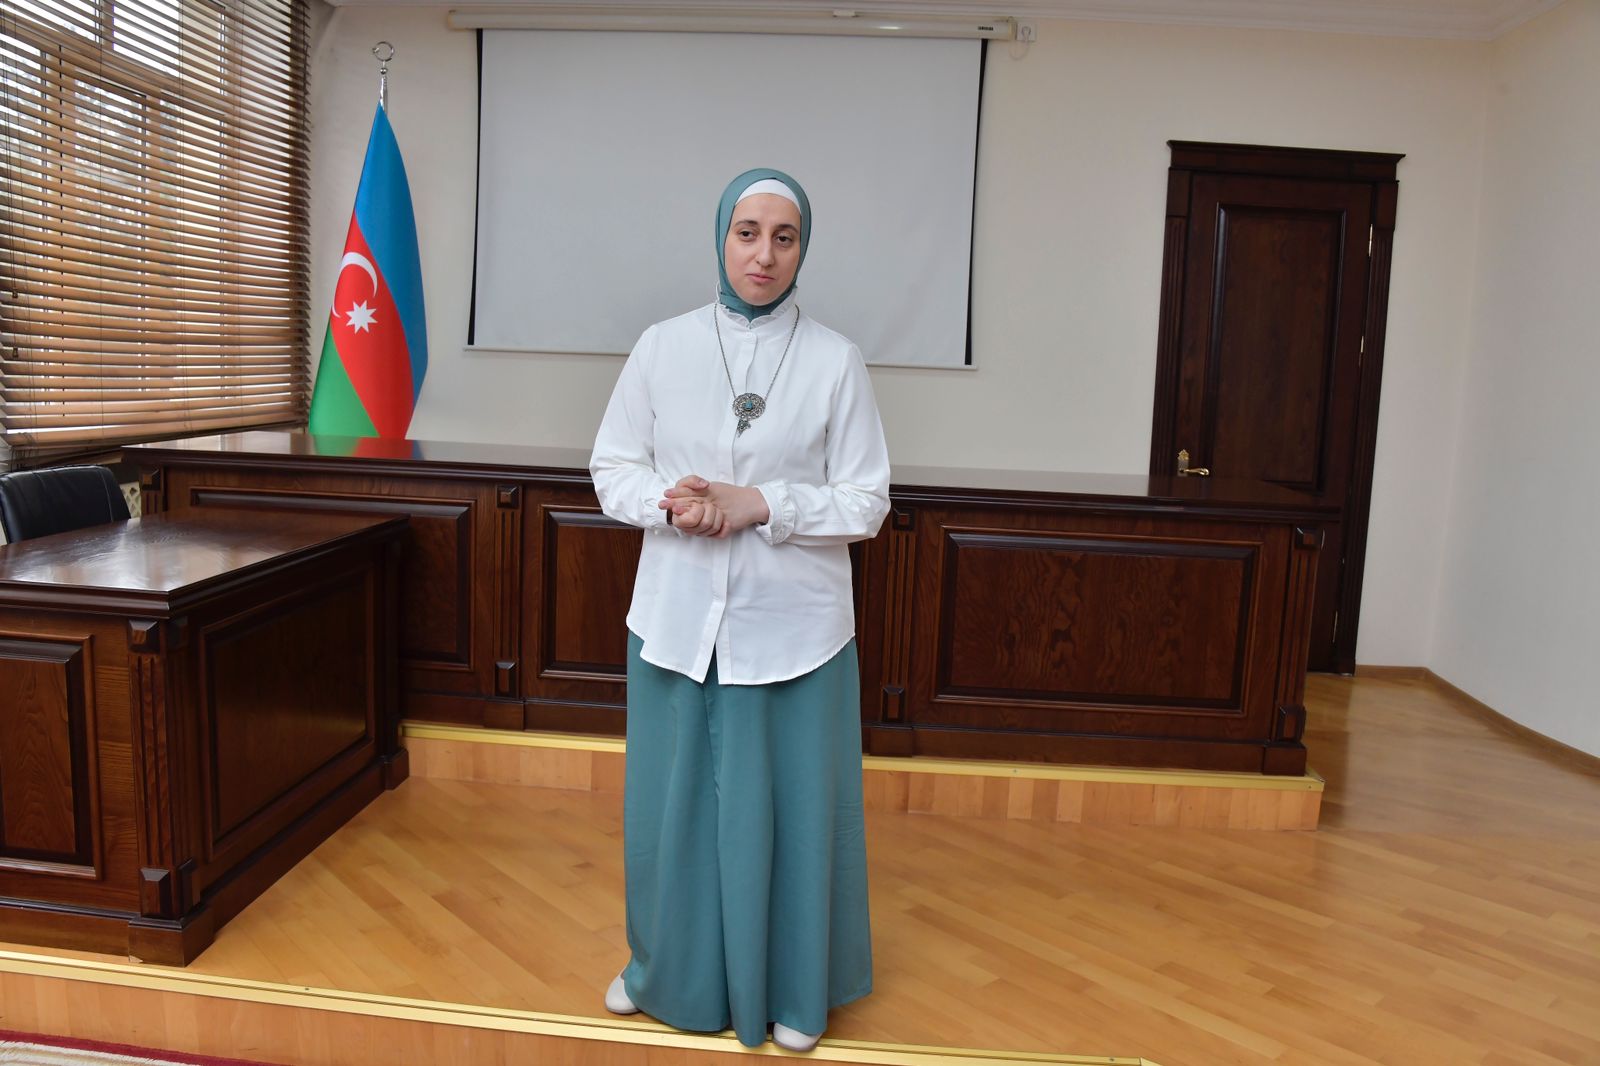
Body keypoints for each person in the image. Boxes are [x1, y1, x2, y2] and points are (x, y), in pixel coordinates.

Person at [588, 168, 891, 1052]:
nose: (764, 254)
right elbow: (612, 467)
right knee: (672, 814)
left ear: (803, 248)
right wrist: (673, 505)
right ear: (721, 237)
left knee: (793, 818)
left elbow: (867, 500)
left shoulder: (835, 360)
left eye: (783, 237)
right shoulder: (662, 347)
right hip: (680, 620)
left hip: (795, 631)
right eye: (747, 232)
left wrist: (761, 505)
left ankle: (796, 990)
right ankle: (662, 970)